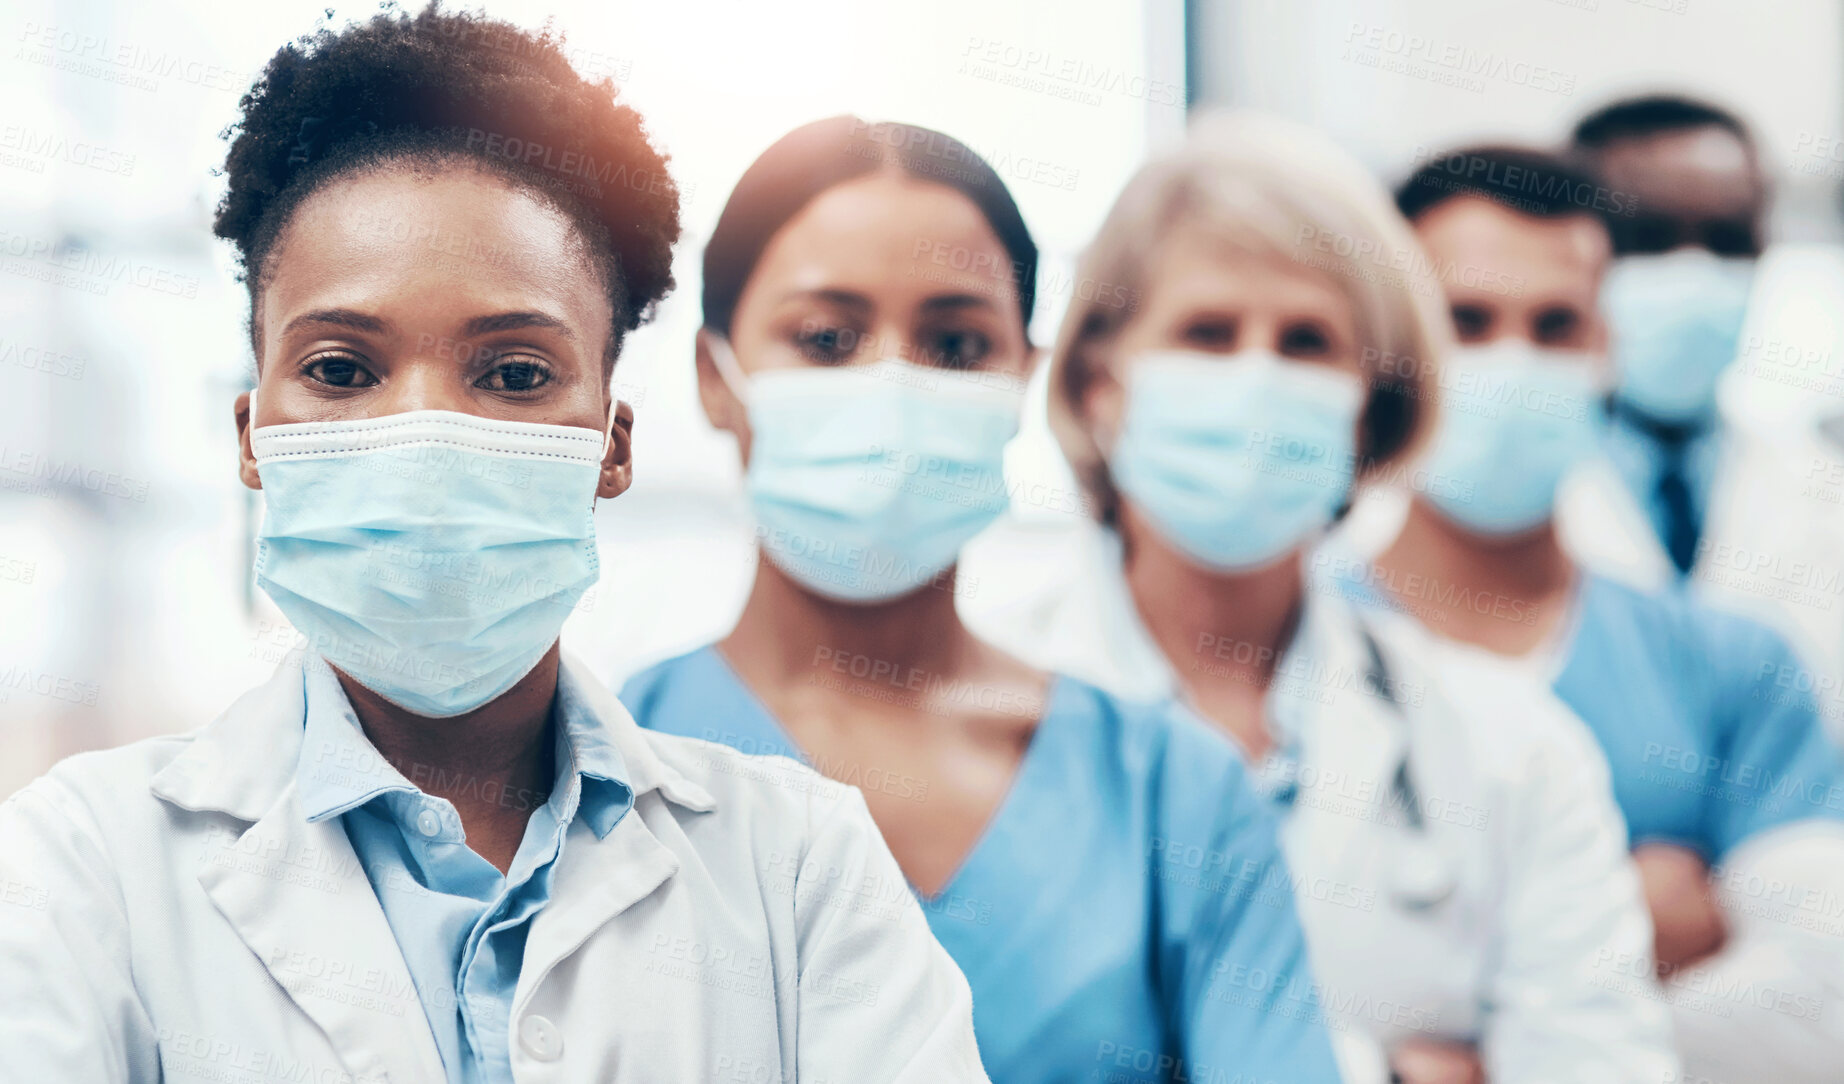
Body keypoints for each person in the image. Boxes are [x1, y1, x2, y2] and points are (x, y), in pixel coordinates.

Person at [0, 10, 988, 1082]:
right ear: (252, 436)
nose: (423, 434)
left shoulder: (798, 866)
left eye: (513, 374)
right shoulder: (80, 867)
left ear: (612, 447)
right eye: (340, 368)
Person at [620, 115, 1346, 1084]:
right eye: (827, 338)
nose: (892, 379)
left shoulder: (1170, 792)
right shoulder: (604, 768)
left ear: (1022, 377)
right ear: (717, 378)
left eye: (955, 342)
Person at [959, 112, 1679, 1084]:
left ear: (1369, 406)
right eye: (1205, 334)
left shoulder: (1513, 750)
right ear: (1097, 384)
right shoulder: (960, 717)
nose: (1253, 378)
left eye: (1305, 342)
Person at [1335, 142, 1844, 1083]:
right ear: (1392, 347)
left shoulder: (1734, 665)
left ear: (1608, 345)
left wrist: (1461, 1058)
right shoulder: (1291, 653)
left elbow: (1821, 1008)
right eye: (1468, 322)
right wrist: (1621, 935)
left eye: (1557, 324)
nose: (1514, 360)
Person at [1570, 95, 1769, 577]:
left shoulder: (1819, 492)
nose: (1693, 271)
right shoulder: (1495, 492)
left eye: (1727, 239)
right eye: (1648, 238)